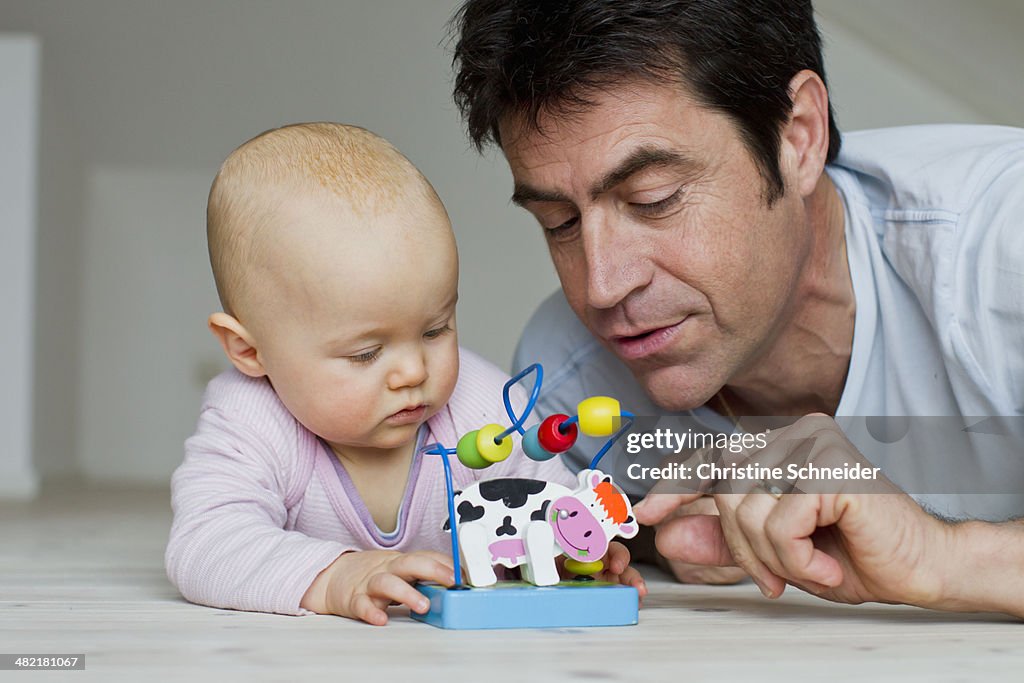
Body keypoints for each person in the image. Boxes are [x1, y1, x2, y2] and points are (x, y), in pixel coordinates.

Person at [450, 0, 1024, 617]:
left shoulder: (1002, 245)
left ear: (798, 136)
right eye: (559, 222)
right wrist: (648, 541)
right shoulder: (568, 377)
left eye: (653, 199)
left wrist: (937, 556)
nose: (601, 287)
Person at [164, 122, 644, 625]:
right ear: (249, 350)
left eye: (435, 330)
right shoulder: (251, 419)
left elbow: (545, 495)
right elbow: (206, 544)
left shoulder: (476, 401)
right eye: (367, 353)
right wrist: (333, 576)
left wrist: (577, 545)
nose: (414, 370)